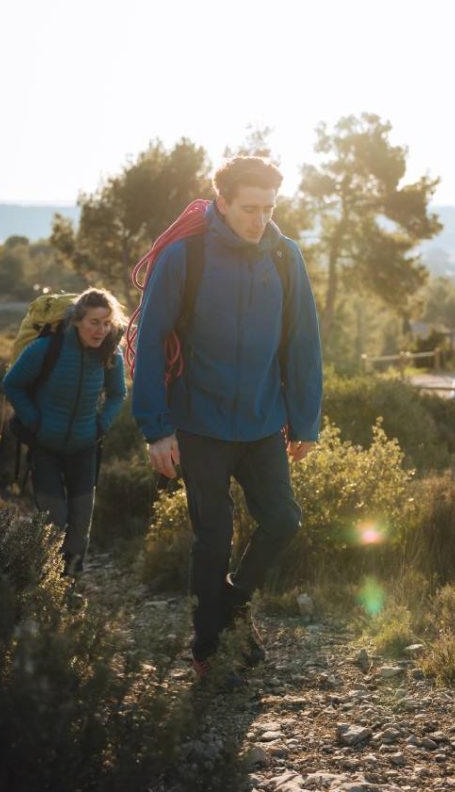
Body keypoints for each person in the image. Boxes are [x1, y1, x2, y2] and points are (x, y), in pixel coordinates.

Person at [132, 156, 322, 678]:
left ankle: (233, 605)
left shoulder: (285, 257)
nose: (259, 219)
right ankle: (207, 644)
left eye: (268, 208)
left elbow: (302, 343)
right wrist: (156, 428)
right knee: (213, 536)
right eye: (248, 208)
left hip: (264, 422)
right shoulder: (186, 257)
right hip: (199, 423)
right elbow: (150, 344)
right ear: (222, 201)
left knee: (283, 520)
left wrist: (305, 421)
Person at [3, 288, 127, 577]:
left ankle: (69, 587)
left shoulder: (110, 353)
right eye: (95, 322)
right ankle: (48, 585)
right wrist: (35, 422)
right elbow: (13, 384)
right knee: (54, 522)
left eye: (107, 323)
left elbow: (117, 394)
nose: (101, 330)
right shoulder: (46, 349)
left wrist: (100, 424)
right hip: (45, 447)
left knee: (80, 524)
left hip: (84, 448)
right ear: (76, 321)